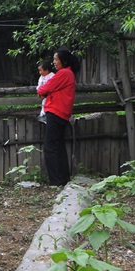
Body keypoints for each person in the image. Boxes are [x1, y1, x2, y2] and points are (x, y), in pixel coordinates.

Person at [37, 49, 79, 186]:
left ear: (64, 61)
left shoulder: (63, 74)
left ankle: (56, 181)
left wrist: (46, 92)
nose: (54, 62)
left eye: (56, 59)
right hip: (62, 113)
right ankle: (64, 178)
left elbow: (42, 89)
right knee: (59, 146)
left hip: (55, 112)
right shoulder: (68, 74)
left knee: (50, 147)